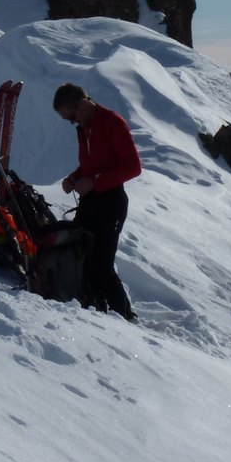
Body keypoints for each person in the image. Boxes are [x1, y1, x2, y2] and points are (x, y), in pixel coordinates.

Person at [53, 82, 140, 320]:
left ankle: (124, 317)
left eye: (71, 116)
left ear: (82, 104)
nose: (71, 122)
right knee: (83, 256)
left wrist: (95, 182)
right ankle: (98, 310)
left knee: (102, 264)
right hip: (91, 202)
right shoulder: (84, 128)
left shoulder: (112, 122)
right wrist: (75, 177)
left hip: (111, 203)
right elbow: (93, 165)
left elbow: (133, 166)